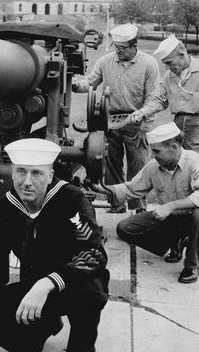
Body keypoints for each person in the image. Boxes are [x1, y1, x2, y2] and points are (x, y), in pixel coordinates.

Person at [0, 138, 109, 352]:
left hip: (72, 282)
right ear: (12, 172)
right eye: (21, 172)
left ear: (51, 174)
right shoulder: (4, 208)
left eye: (36, 173)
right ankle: (45, 325)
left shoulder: (71, 200)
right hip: (33, 287)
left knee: (90, 292)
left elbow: (93, 253)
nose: (27, 181)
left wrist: (47, 283)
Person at [89, 122, 199, 283]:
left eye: (157, 151)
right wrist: (102, 189)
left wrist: (170, 206)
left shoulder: (195, 161)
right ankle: (175, 243)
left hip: (198, 218)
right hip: (172, 219)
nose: (153, 155)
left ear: (174, 147)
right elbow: (132, 188)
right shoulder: (154, 166)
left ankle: (191, 265)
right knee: (125, 228)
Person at [72, 23, 159, 214]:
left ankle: (139, 208)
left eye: (122, 48)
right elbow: (91, 81)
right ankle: (116, 202)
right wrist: (78, 85)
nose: (117, 51)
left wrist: (143, 119)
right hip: (109, 120)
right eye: (115, 47)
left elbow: (153, 98)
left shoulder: (149, 64)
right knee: (111, 163)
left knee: (138, 165)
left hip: (137, 122)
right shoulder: (106, 61)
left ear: (134, 45)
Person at [129, 34, 199, 163]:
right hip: (177, 123)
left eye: (169, 62)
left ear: (181, 54)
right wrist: (143, 112)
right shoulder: (168, 76)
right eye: (165, 63)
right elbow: (159, 100)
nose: (167, 67)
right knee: (177, 163)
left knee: (198, 164)